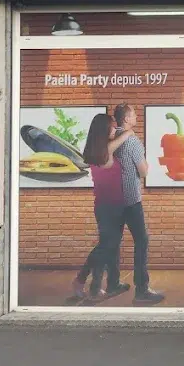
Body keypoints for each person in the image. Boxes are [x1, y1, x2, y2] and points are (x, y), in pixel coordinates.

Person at [71, 113, 135, 302]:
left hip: (116, 206)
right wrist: (125, 129)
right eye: (112, 126)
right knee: (105, 247)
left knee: (110, 247)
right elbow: (128, 134)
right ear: (103, 129)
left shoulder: (99, 149)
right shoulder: (104, 151)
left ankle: (107, 284)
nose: (115, 129)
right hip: (108, 208)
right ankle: (83, 281)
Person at [112, 105, 164, 305]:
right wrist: (146, 165)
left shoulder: (110, 138)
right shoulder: (132, 141)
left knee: (113, 241)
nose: (136, 117)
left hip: (112, 199)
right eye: (133, 114)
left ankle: (113, 284)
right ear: (126, 119)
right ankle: (141, 290)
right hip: (130, 200)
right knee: (141, 241)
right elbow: (143, 172)